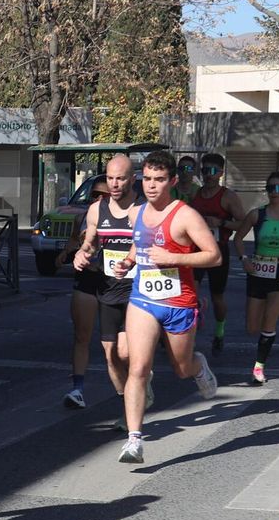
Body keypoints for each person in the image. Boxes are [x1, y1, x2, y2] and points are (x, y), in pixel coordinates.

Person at [115, 150, 221, 464]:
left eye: (159, 180)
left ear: (172, 181)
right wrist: (129, 261)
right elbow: (139, 241)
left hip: (179, 303)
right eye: (147, 179)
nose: (151, 186)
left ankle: (198, 366)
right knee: (137, 367)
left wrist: (174, 258)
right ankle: (134, 440)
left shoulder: (186, 215)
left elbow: (214, 256)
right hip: (144, 300)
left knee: (181, 368)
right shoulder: (136, 213)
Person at [69, 154, 147, 421]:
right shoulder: (96, 210)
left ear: (132, 179)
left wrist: (130, 259)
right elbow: (89, 243)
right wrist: (82, 253)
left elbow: (147, 244)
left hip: (138, 289)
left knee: (125, 351)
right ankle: (130, 400)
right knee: (111, 354)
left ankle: (133, 405)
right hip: (109, 288)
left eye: (120, 178)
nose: (114, 184)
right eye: (110, 178)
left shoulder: (142, 209)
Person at [232, 172, 279, 385]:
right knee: (251, 327)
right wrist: (244, 258)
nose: (274, 193)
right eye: (270, 188)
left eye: (278, 188)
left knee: (269, 321)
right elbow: (238, 238)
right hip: (257, 270)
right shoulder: (257, 215)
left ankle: (259, 367)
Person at [60, 176, 111, 408]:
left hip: (115, 283)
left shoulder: (127, 218)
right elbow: (73, 242)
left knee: (113, 346)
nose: (99, 199)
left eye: (105, 195)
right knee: (82, 336)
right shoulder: (82, 217)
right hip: (88, 278)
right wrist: (66, 253)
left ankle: (132, 390)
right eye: (95, 195)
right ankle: (77, 389)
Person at [188, 153, 245, 353]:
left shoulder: (228, 196)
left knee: (217, 296)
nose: (208, 175)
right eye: (205, 171)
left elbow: (243, 223)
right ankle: (189, 333)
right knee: (189, 293)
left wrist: (220, 222)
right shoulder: (196, 193)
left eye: (213, 171)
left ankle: (219, 332)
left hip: (218, 250)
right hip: (196, 250)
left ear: (221, 173)